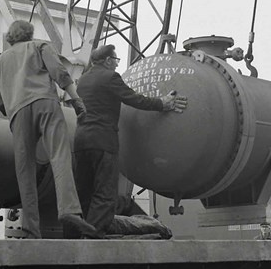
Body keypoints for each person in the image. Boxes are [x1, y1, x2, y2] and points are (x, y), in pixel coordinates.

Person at [0, 19, 97, 239]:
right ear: (30, 34)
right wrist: (76, 100)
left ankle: (31, 228)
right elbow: (59, 73)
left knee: (25, 170)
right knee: (59, 155)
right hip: (45, 103)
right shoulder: (39, 46)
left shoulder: (0, 61)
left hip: (18, 112)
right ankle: (69, 210)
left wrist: (14, 107)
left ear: (10, 38)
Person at [73, 44, 187, 236]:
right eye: (116, 60)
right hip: (103, 140)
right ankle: (95, 233)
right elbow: (134, 99)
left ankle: (81, 230)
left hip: (81, 140)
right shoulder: (110, 77)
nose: (117, 65)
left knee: (84, 189)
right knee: (104, 190)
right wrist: (162, 103)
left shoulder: (82, 80)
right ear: (108, 60)